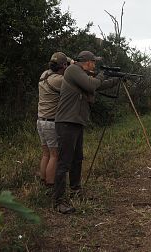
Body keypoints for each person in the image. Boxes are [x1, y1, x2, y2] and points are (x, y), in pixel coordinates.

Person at [53, 50, 119, 214]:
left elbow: (98, 84)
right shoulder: (73, 70)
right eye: (93, 62)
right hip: (67, 122)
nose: (95, 65)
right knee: (64, 163)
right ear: (87, 62)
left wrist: (117, 80)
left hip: (76, 122)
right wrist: (103, 75)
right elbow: (92, 85)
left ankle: (76, 191)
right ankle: (58, 201)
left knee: (77, 159)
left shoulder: (82, 75)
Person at [37, 52, 70, 191]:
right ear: (63, 66)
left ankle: (43, 180)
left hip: (40, 120)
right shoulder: (59, 80)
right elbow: (73, 80)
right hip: (50, 122)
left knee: (46, 154)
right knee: (54, 155)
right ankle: (51, 186)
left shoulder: (44, 74)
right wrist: (72, 67)